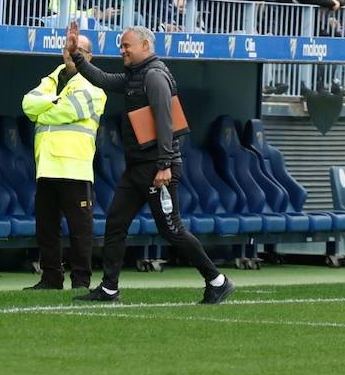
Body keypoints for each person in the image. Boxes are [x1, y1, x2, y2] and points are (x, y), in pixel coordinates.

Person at [66, 24, 235, 305]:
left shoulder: (155, 76)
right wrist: (78, 56)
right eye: (121, 46)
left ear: (145, 46)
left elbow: (165, 122)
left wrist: (165, 165)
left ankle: (217, 280)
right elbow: (104, 80)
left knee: (172, 229)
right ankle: (109, 289)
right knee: (116, 223)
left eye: (126, 46)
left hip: (157, 169)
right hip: (137, 168)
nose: (122, 51)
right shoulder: (137, 75)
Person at [20, 33, 106, 291]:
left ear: (88, 56)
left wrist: (42, 112)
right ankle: (51, 278)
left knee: (80, 231)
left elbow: (70, 110)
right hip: (46, 166)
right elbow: (27, 104)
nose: (71, 52)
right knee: (46, 229)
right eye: (68, 49)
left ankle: (81, 282)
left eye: (78, 49)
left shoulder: (93, 87)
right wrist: (53, 104)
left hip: (75, 169)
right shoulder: (49, 80)